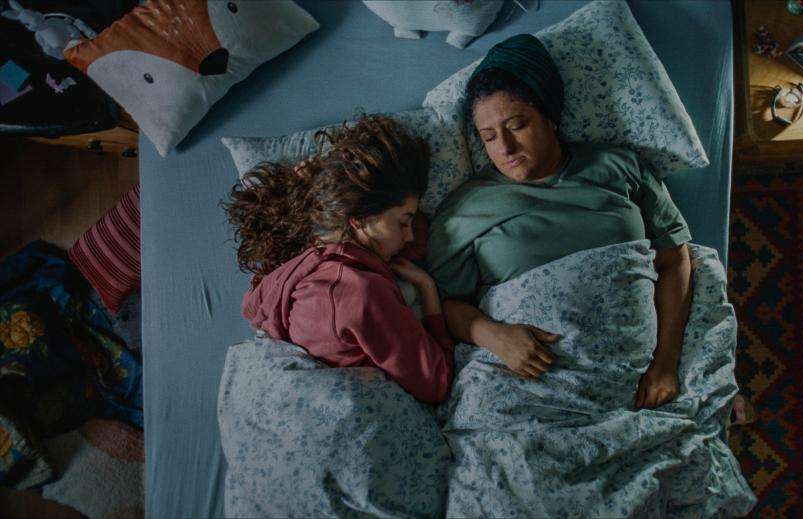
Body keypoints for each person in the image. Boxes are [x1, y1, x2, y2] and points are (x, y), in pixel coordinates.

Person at [428, 34, 693, 410]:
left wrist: (665, 363)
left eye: (516, 125)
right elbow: (442, 305)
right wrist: (493, 336)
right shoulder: (465, 209)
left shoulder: (619, 167)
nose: (504, 148)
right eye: (489, 137)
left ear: (550, 117)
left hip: (636, 384)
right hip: (527, 387)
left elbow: (674, 258)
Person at [223, 115, 454, 404]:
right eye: (403, 222)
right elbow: (437, 384)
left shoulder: (305, 263)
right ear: (359, 219)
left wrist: (317, 181)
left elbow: (414, 242)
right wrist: (428, 290)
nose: (409, 235)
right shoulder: (362, 293)